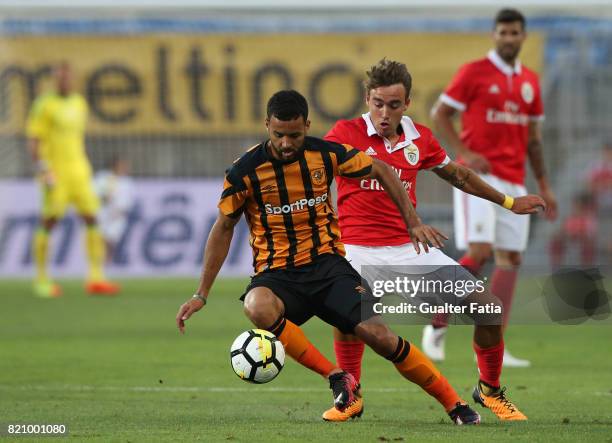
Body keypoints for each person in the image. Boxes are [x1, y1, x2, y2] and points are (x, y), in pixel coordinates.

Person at [176, 90, 482, 425]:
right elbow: (223, 228)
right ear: (267, 125)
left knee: (379, 337)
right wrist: (200, 293)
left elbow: (382, 169)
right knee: (256, 305)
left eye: (295, 134)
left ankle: (455, 404)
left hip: (328, 267)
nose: (288, 142)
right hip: (278, 275)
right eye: (279, 135)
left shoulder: (325, 154)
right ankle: (338, 377)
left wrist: (412, 222)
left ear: (307, 125)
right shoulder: (244, 171)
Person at [322, 58, 545, 422]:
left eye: (394, 105)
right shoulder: (345, 133)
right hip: (357, 250)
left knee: (488, 308)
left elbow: (458, 175)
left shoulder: (419, 137)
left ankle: (489, 390)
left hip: (410, 251)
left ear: (406, 103)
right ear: (367, 99)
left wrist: (509, 202)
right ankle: (352, 395)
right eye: (378, 103)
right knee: (349, 318)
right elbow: (310, 166)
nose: (385, 112)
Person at [424, 8, 558, 367]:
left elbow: (533, 141)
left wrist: (544, 184)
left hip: (515, 178)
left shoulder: (530, 81)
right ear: (494, 35)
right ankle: (438, 320)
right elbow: (440, 114)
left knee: (511, 258)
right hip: (477, 178)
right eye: (503, 32)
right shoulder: (474, 72)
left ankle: (494, 341)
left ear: (523, 36)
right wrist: (464, 152)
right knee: (480, 249)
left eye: (515, 33)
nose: (509, 38)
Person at [26, 61, 120, 297]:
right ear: (54, 80)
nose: (64, 81)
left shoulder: (80, 103)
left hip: (79, 171)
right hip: (55, 173)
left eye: (67, 77)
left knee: (91, 218)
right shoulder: (43, 105)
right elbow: (34, 141)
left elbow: (76, 138)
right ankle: (42, 279)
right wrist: (43, 169)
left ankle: (96, 277)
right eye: (60, 77)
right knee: (50, 220)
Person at [94, 156, 135, 261]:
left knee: (111, 241)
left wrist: (124, 210)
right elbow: (95, 193)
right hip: (103, 214)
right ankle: (98, 264)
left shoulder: (128, 182)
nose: (124, 168)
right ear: (115, 165)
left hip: (119, 216)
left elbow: (130, 200)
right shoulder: (103, 177)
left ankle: (106, 263)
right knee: (100, 239)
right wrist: (104, 197)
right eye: (122, 165)